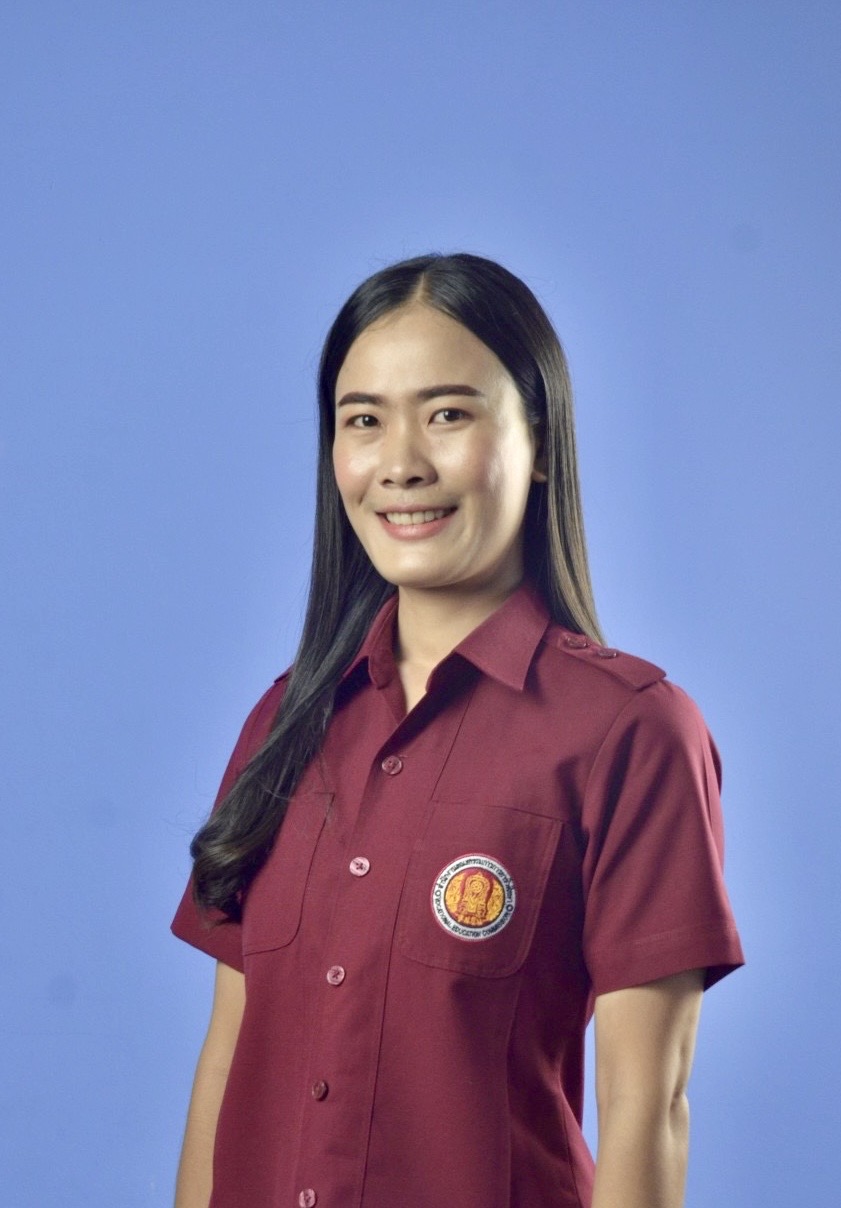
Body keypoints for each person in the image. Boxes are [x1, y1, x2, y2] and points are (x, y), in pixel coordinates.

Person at [171, 252, 744, 1208]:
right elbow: (225, 1063)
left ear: (540, 442)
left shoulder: (630, 732)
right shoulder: (282, 722)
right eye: (363, 421)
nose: (400, 464)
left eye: (446, 414)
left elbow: (647, 1107)